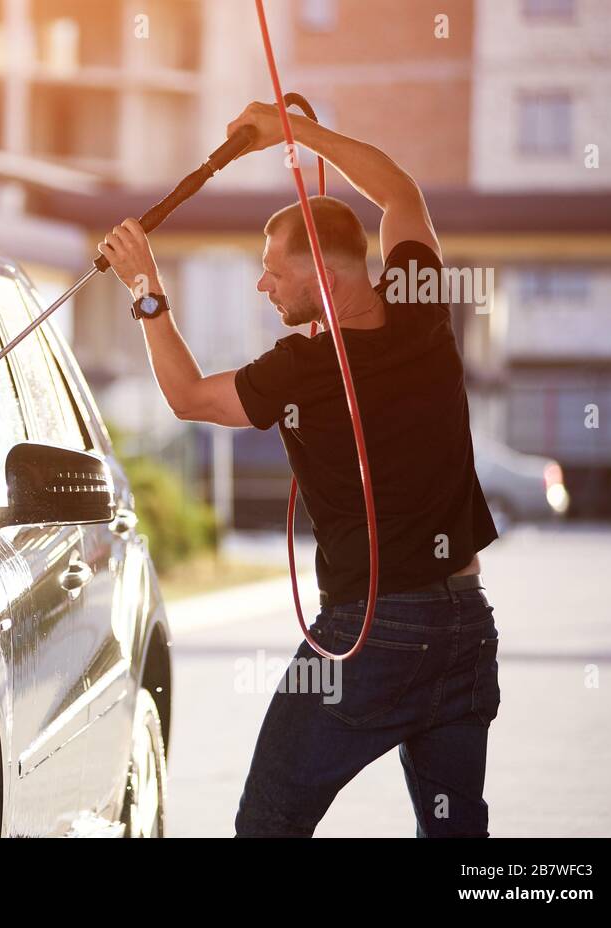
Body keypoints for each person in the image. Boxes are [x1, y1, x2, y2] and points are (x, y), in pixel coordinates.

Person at [97, 101, 501, 837]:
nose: (263, 287)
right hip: (466, 624)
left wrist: (146, 290)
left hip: (371, 633)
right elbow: (400, 194)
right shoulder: (422, 306)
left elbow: (187, 397)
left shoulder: (303, 369)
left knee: (268, 826)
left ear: (319, 268)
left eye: (272, 272)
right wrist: (298, 134)